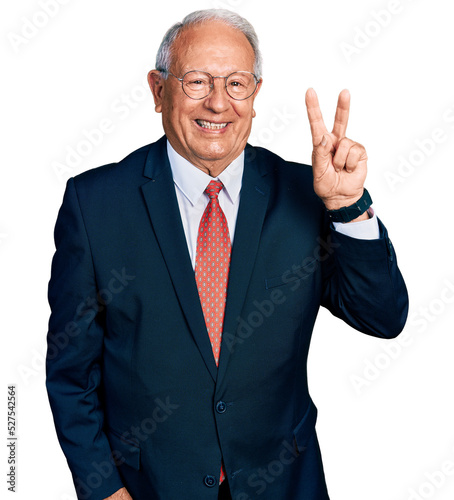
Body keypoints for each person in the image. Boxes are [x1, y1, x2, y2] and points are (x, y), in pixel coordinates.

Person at [46, 9, 408, 500]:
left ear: (255, 96)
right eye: (196, 81)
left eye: (237, 84)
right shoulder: (95, 204)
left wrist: (347, 208)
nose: (218, 104)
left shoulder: (309, 194)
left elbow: (383, 317)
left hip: (284, 485)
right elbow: (71, 374)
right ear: (158, 90)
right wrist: (105, 490)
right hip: (148, 487)